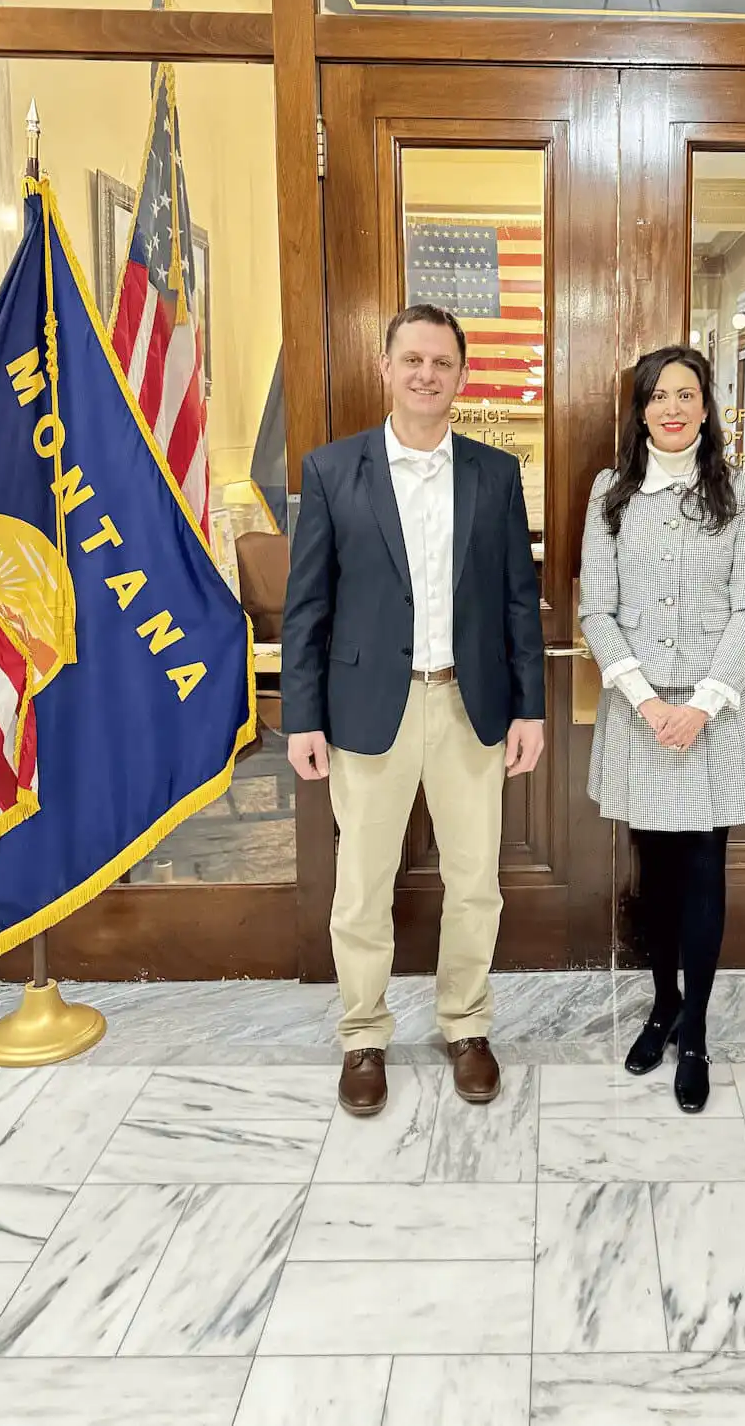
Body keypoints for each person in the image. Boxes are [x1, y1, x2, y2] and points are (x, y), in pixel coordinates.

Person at [281, 304, 545, 1118]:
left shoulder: (496, 475)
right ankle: (363, 1035)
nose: (427, 374)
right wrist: (302, 716)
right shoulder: (332, 470)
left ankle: (466, 1025)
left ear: (461, 376)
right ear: (386, 369)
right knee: (361, 884)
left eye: (442, 362)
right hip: (367, 710)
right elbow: (307, 606)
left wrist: (529, 708)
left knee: (475, 881)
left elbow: (516, 603)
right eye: (413, 360)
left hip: (471, 709)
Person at [579, 345, 745, 1111]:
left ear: (705, 407)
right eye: (658, 395)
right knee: (653, 874)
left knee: (702, 873)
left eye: (685, 394)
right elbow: (596, 607)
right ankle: (661, 1003)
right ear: (639, 410)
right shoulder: (611, 493)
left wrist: (699, 703)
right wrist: (645, 700)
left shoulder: (741, 493)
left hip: (713, 711)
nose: (672, 407)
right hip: (640, 711)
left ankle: (694, 1029)